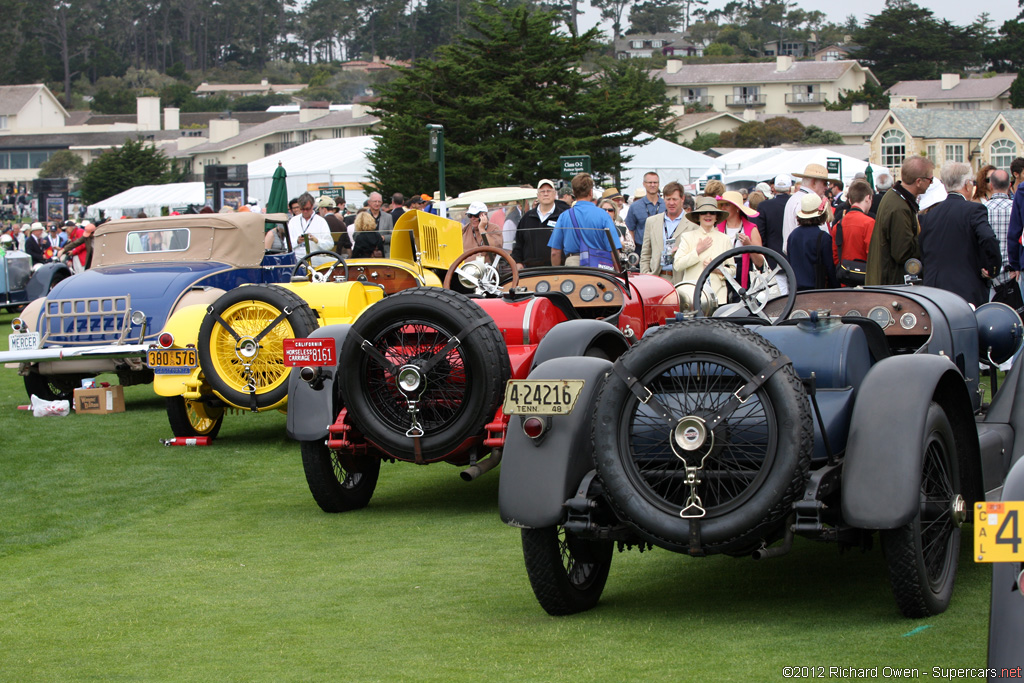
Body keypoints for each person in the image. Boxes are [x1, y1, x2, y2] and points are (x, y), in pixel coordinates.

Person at [919, 161, 1000, 308]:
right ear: (968, 185)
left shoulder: (930, 215)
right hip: (966, 288)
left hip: (934, 287)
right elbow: (988, 238)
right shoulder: (974, 210)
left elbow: (923, 249)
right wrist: (992, 268)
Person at [866, 156, 934, 286]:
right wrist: (926, 239)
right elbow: (902, 253)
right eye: (930, 180)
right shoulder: (899, 207)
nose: (931, 183)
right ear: (919, 181)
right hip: (891, 283)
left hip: (886, 280)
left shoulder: (895, 197)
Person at [549, 173, 622, 267]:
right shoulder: (604, 215)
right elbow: (614, 250)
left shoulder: (564, 216)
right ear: (591, 192)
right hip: (599, 265)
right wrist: (617, 272)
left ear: (574, 192)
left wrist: (557, 274)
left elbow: (555, 252)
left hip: (573, 264)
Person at [674, 197, 735, 303]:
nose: (708, 215)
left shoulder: (725, 239)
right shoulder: (687, 237)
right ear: (698, 217)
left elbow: (733, 271)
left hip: (718, 297)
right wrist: (697, 251)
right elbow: (678, 265)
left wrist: (718, 269)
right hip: (692, 296)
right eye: (704, 213)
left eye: (712, 213)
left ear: (716, 217)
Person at [639, 181, 690, 282]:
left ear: (682, 199)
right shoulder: (652, 221)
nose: (671, 203)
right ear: (663, 199)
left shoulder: (692, 223)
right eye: (668, 199)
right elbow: (645, 252)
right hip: (656, 277)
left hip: (681, 279)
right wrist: (645, 274)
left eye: (675, 199)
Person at [787, 194, 838, 291]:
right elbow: (830, 268)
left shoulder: (793, 235)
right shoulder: (823, 238)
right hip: (817, 290)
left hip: (796, 290)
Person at [512, 179, 564, 269]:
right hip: (530, 271)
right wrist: (518, 262)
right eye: (542, 191)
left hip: (557, 271)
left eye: (549, 191)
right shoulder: (527, 218)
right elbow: (518, 244)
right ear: (538, 195)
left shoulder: (563, 217)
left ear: (555, 194)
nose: (546, 194)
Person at [716, 190, 764, 289]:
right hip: (721, 274)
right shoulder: (717, 228)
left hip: (743, 275)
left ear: (737, 208)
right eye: (722, 205)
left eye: (727, 205)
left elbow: (760, 263)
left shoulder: (751, 229)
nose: (723, 208)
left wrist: (749, 245)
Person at [830, 180, 875, 280]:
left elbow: (836, 257)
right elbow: (873, 256)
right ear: (868, 198)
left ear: (850, 200)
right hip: (866, 279)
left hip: (845, 278)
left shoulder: (838, 224)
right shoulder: (869, 223)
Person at [783, 163, 831, 254]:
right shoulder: (807, 201)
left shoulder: (794, 198)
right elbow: (812, 238)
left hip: (795, 256)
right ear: (814, 182)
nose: (826, 187)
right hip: (807, 257)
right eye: (825, 183)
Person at [287, 192, 334, 265]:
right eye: (302, 209)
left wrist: (316, 240)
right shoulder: (293, 221)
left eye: (307, 209)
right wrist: (297, 241)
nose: (305, 211)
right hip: (297, 260)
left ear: (312, 206)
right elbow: (286, 244)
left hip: (316, 259)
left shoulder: (321, 221)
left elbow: (330, 244)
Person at [988, 169, 1013, 291]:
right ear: (1009, 185)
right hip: (1012, 273)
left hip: (989, 274)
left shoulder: (980, 209)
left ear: (991, 185)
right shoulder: (1015, 209)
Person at [624, 172, 665, 248]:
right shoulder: (635, 206)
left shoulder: (666, 205)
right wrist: (633, 247)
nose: (652, 185)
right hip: (641, 247)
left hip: (662, 247)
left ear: (658, 184)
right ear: (644, 184)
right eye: (650, 182)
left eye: (655, 182)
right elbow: (630, 229)